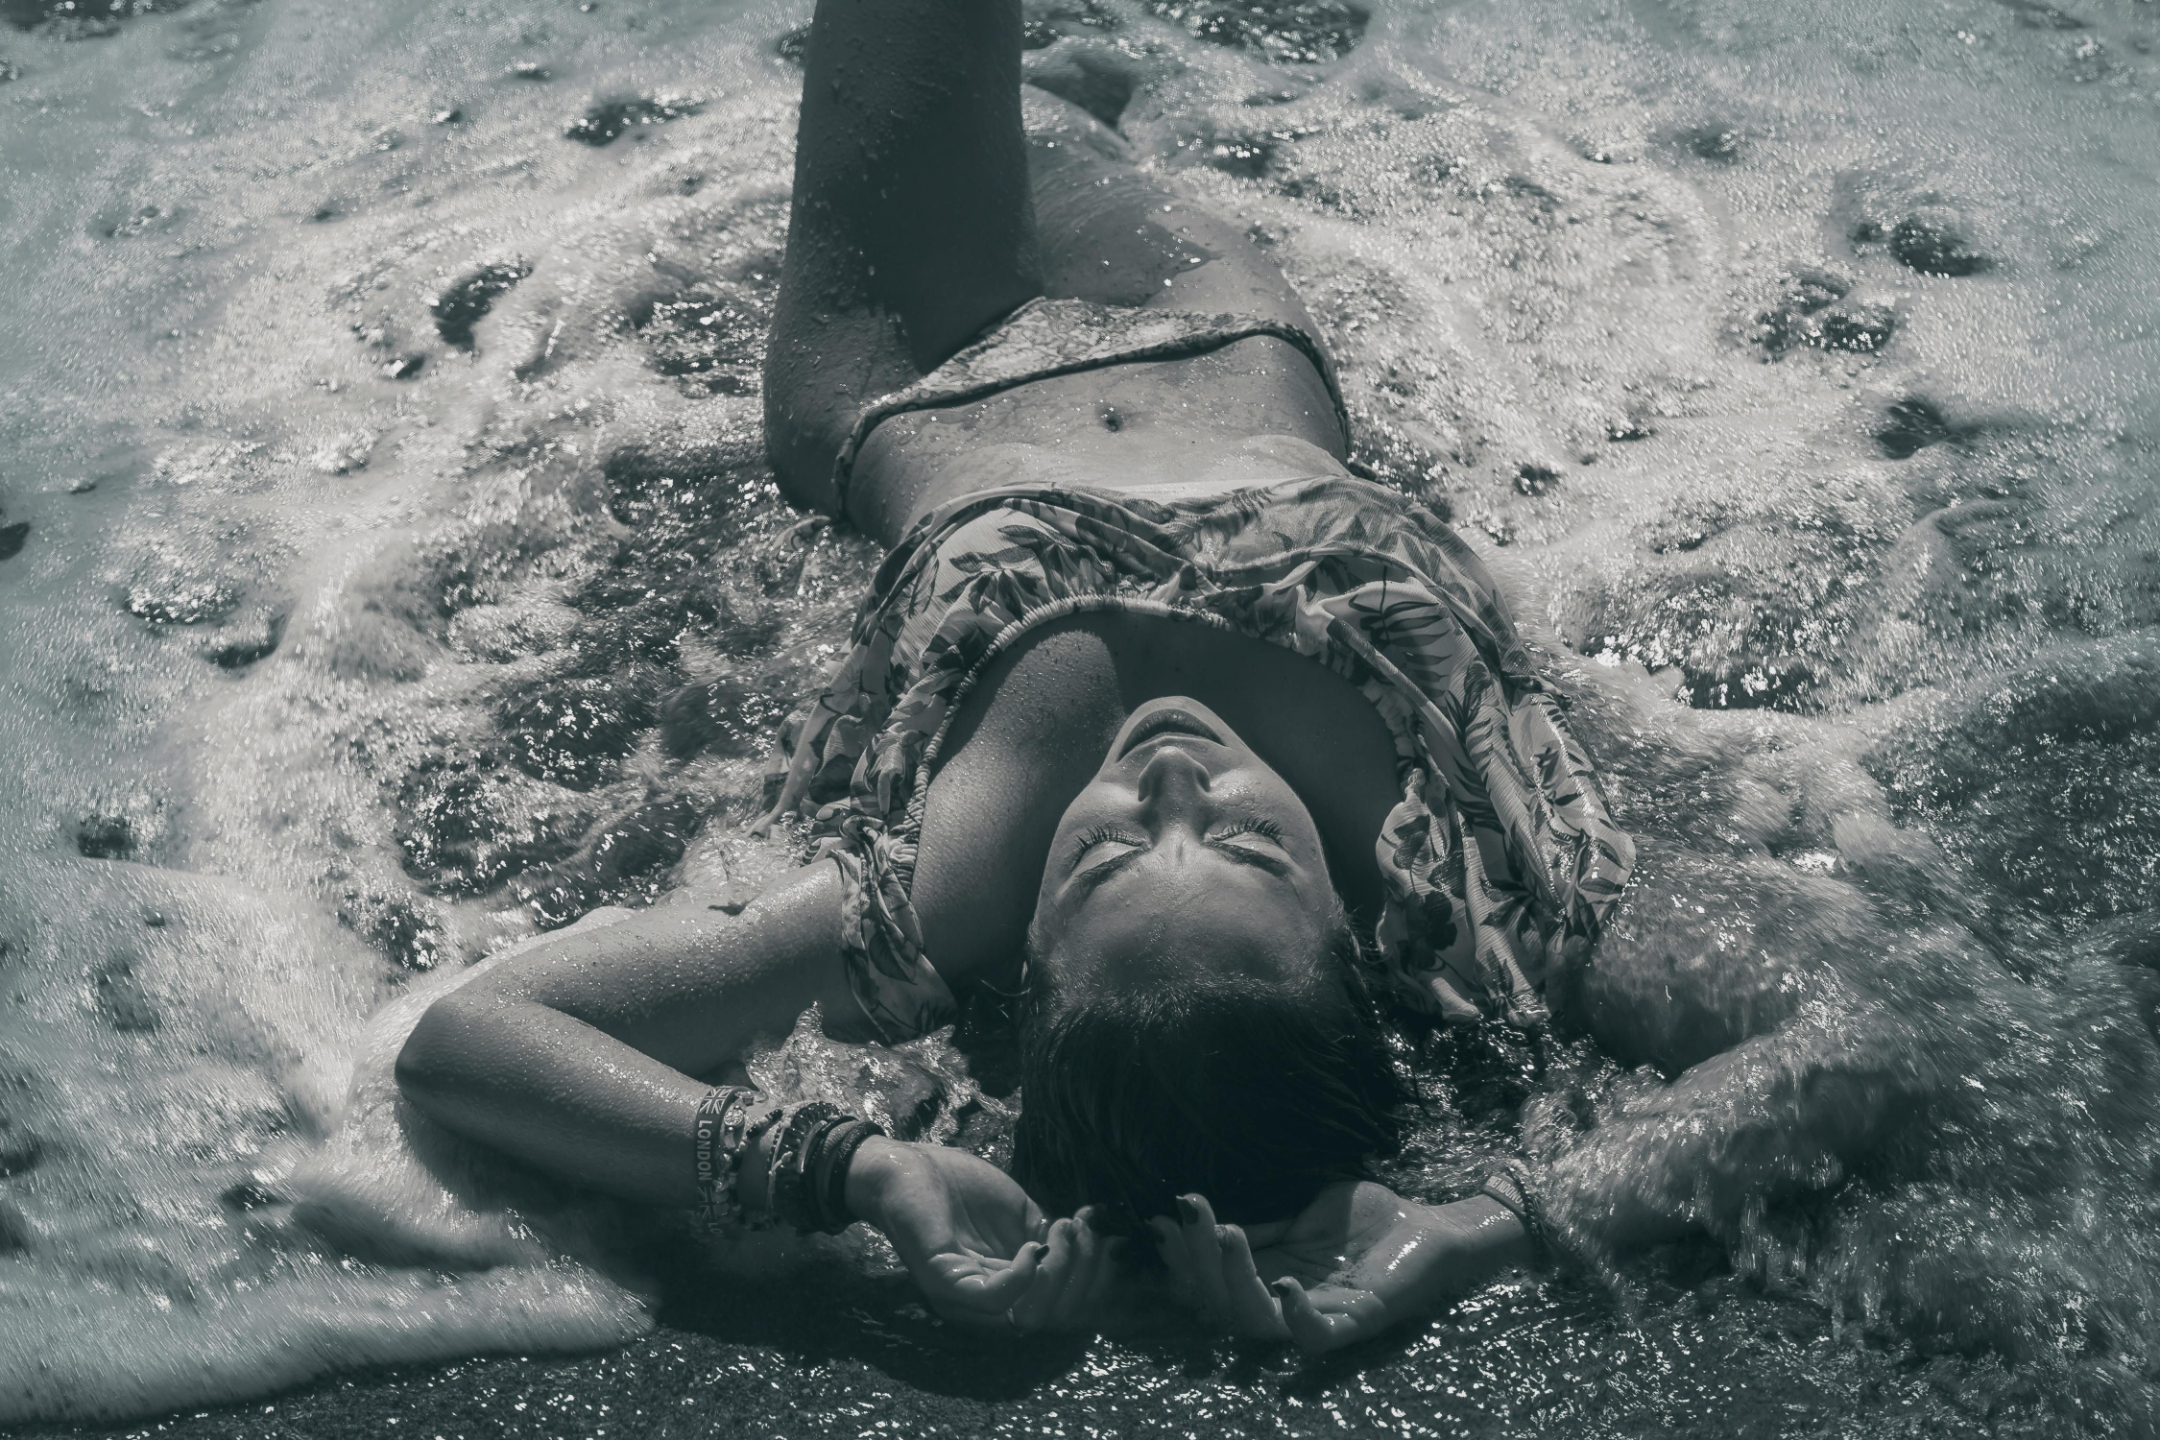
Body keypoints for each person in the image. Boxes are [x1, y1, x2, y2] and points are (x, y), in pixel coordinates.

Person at [395, 0, 1634, 1352]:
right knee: (1072, 102)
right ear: (1348, 930)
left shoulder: (945, 895)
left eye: (1105, 856)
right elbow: (1821, 1047)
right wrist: (1489, 1224)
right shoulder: (1480, 892)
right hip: (1208, 319)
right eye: (1247, 846)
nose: (1172, 778)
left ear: (1025, 962)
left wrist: (853, 1169)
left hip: (925, 355)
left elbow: (471, 1041)